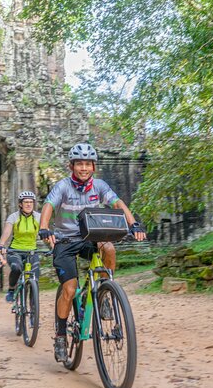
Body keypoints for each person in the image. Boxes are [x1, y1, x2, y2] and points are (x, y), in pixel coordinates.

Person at [38, 143, 146, 362]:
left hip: (90, 238)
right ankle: (60, 335)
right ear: (72, 166)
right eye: (79, 164)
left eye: (88, 164)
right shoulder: (63, 186)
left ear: (93, 167)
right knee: (69, 289)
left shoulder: (99, 186)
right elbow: (49, 206)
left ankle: (105, 292)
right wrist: (44, 227)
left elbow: (118, 203)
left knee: (109, 247)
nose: (84, 168)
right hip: (65, 241)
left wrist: (134, 224)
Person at [0, 191, 41, 303]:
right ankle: (11, 289)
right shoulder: (14, 216)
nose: (29, 204)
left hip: (32, 251)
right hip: (15, 250)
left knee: (35, 277)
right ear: (20, 204)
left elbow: (45, 232)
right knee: (16, 268)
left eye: (31, 202)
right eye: (26, 202)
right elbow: (7, 232)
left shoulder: (38, 217)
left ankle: (33, 307)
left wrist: (54, 246)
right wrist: (1, 245)